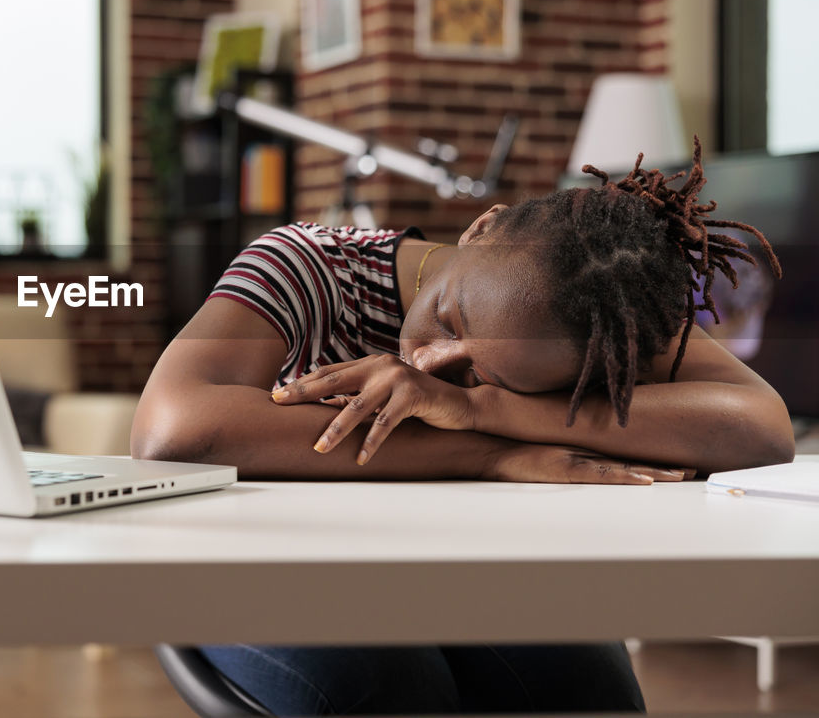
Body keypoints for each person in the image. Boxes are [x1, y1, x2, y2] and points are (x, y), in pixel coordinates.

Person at [131, 143, 793, 715]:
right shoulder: (307, 265)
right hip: (266, 561)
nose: (430, 361)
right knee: (396, 687)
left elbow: (761, 427)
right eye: (449, 319)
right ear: (483, 226)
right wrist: (486, 454)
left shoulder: (589, 314)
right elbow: (172, 428)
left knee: (591, 693)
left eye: (492, 375)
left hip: (457, 569)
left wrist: (487, 410)